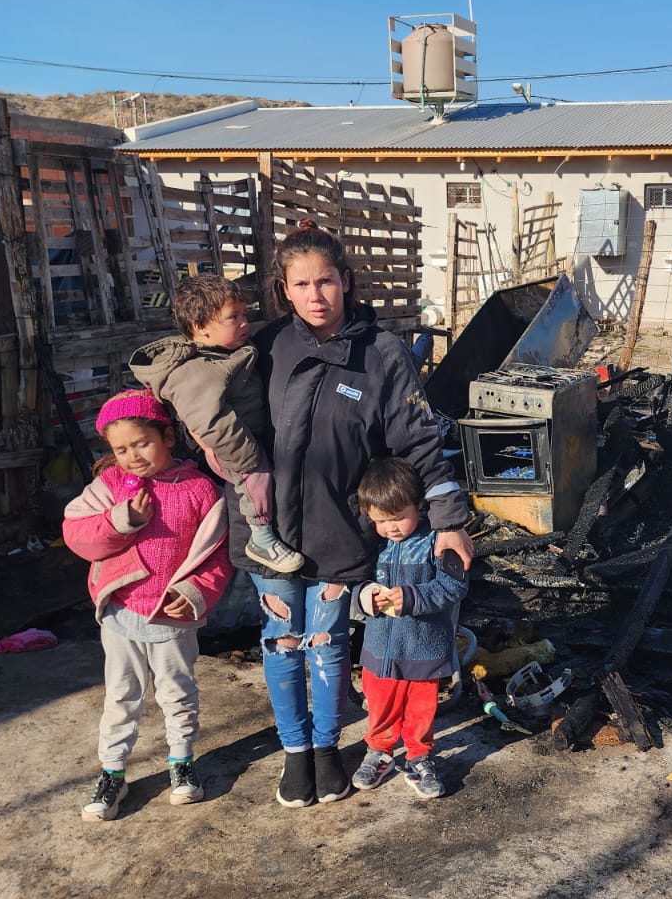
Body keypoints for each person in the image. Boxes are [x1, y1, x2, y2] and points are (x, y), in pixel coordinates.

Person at [241, 219, 473, 810]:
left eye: (326, 281)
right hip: (270, 535)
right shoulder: (269, 347)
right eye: (301, 284)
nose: (315, 295)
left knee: (328, 645)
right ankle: (295, 753)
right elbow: (218, 413)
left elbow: (422, 442)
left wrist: (449, 519)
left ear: (346, 281)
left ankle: (326, 748)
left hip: (341, 530)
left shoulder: (381, 354)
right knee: (280, 642)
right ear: (283, 290)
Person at [62, 390, 233, 822]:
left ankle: (181, 762)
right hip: (121, 612)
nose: (132, 456)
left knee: (177, 693)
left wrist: (196, 593)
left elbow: (216, 555)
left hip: (172, 617)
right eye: (121, 449)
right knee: (122, 695)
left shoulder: (199, 490)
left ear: (168, 436)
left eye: (142, 443)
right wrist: (124, 521)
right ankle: (113, 773)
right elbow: (77, 533)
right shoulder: (110, 487)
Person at [129, 276, 304, 575]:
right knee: (256, 482)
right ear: (200, 327)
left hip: (244, 438)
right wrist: (245, 455)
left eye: (244, 315)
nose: (244, 323)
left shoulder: (224, 353)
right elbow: (209, 420)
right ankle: (261, 538)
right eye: (233, 317)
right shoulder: (196, 370)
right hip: (234, 446)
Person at [348, 456, 469, 799]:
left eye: (399, 518)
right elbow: (353, 583)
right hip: (378, 648)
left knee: (420, 709)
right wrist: (364, 596)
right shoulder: (373, 545)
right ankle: (380, 750)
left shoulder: (438, 539)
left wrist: (414, 599)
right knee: (380, 703)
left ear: (419, 505)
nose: (391, 528)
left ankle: (419, 756)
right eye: (381, 521)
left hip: (424, 648)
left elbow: (454, 586)